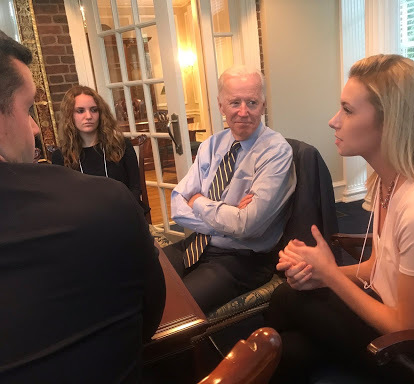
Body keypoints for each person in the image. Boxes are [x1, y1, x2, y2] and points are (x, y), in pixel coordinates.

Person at [267, 54, 414, 383]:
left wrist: (330, 275)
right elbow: (377, 268)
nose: (333, 121)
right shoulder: (388, 180)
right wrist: (322, 274)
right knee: (290, 349)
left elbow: (410, 330)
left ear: (391, 123)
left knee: (285, 299)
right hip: (411, 325)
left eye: (348, 110)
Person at [0, 30, 165, 383]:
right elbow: (147, 312)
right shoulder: (90, 189)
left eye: (93, 110)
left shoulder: (121, 154)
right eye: (29, 109)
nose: (32, 128)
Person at [166, 66, 296, 314]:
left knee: (178, 309)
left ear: (264, 105)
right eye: (234, 102)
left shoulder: (276, 151)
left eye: (252, 102)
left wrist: (199, 202)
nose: (243, 111)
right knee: (144, 278)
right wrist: (229, 214)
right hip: (198, 244)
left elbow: (246, 226)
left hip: (242, 259)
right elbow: (177, 205)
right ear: (221, 106)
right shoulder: (211, 145)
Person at [51, 85, 150, 214]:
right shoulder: (61, 156)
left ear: (101, 113)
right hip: (85, 219)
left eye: (94, 110)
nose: (88, 116)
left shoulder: (121, 145)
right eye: (80, 111)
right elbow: (63, 199)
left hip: (124, 213)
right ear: (70, 115)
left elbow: (135, 187)